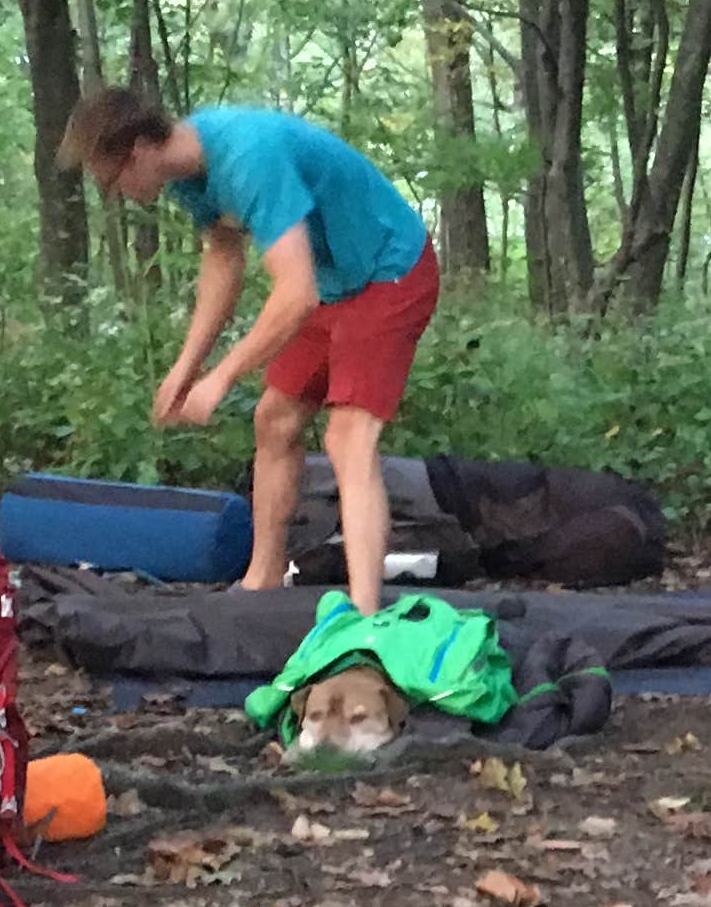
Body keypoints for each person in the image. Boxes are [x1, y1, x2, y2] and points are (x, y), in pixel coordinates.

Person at [60, 85, 441, 610]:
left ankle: (364, 617)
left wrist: (221, 377)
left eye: (112, 178)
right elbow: (223, 257)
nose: (115, 193)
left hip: (388, 270)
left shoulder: (246, 157)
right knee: (275, 420)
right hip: (333, 285)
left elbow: (295, 292)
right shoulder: (187, 173)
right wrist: (186, 368)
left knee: (348, 438)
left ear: (141, 150)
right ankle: (261, 580)